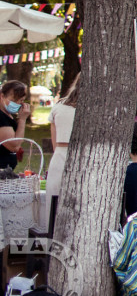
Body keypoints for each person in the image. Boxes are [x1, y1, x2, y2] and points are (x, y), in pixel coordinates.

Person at [47, 75, 78, 216]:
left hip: (59, 156)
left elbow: (55, 143)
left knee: (54, 206)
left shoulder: (58, 105)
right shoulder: (94, 108)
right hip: (80, 156)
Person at [0, 81, 29, 172]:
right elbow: (14, 146)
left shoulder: (6, 114)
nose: (17, 103)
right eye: (13, 100)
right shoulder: (1, 117)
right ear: (2, 96)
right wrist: (22, 120)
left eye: (20, 100)